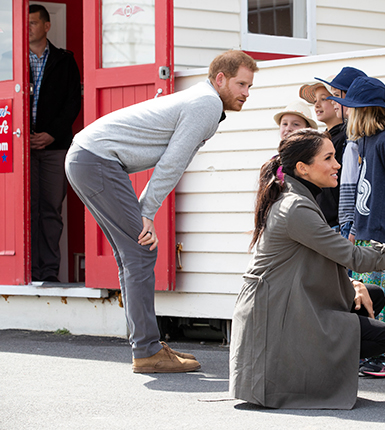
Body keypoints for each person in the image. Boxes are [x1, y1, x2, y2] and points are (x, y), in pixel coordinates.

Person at [229, 129, 385, 409]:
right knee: (381, 335)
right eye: (328, 158)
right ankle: (304, 378)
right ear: (303, 168)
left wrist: (353, 284)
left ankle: (315, 371)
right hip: (278, 316)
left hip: (286, 301)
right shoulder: (295, 207)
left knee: (372, 295)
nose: (337, 164)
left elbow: (321, 258)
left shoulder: (296, 196)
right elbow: (354, 257)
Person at [65, 50, 258, 373]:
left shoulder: (201, 100)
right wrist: (147, 211)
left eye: (250, 87)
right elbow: (173, 162)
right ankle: (147, 351)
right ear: (220, 79)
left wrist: (144, 209)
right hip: (96, 160)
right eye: (241, 84)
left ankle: (147, 346)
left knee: (131, 253)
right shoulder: (207, 103)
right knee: (140, 251)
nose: (246, 94)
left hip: (87, 158)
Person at [329, 76, 385, 377]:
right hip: (365, 231)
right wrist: (353, 225)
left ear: (365, 111)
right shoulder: (366, 141)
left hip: (384, 234)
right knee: (365, 293)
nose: (348, 113)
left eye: (352, 108)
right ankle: (374, 349)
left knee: (382, 295)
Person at [28, 4, 81, 282]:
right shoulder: (10, 60)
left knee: (50, 210)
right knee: (26, 211)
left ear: (47, 26)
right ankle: (26, 272)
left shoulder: (64, 61)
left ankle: (48, 273)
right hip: (19, 148)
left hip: (55, 147)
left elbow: (73, 103)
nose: (27, 29)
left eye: (33, 23)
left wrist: (51, 134)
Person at [317, 67, 367, 240]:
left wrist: (350, 226)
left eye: (335, 95)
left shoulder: (356, 139)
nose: (332, 101)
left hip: (347, 225)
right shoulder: (345, 136)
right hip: (338, 222)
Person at [300, 77, 345, 228]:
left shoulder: (345, 139)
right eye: (314, 101)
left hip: (336, 223)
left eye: (324, 99)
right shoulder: (322, 139)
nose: (317, 105)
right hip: (320, 221)